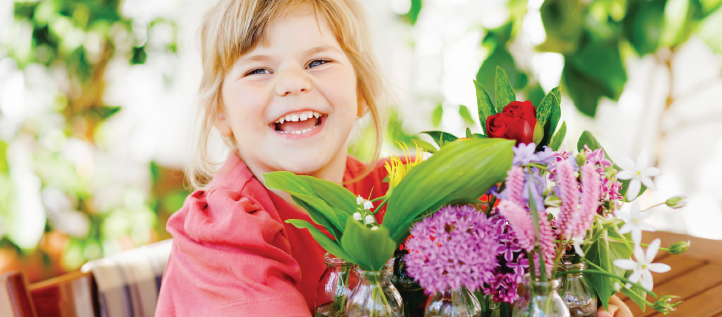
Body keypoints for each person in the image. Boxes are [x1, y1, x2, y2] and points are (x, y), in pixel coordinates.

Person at [155, 0, 389, 316]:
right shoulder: (223, 235)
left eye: (318, 62)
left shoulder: (391, 190)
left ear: (361, 91)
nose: (293, 83)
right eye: (258, 70)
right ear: (221, 112)